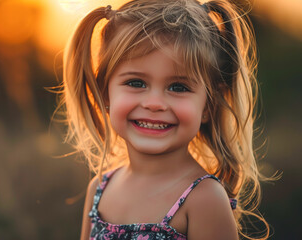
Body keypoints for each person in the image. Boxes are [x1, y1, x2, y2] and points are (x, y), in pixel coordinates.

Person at [60, 0, 272, 239]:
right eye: (136, 83)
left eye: (178, 87)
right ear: (104, 93)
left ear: (208, 105)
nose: (155, 103)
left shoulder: (204, 199)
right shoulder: (99, 189)